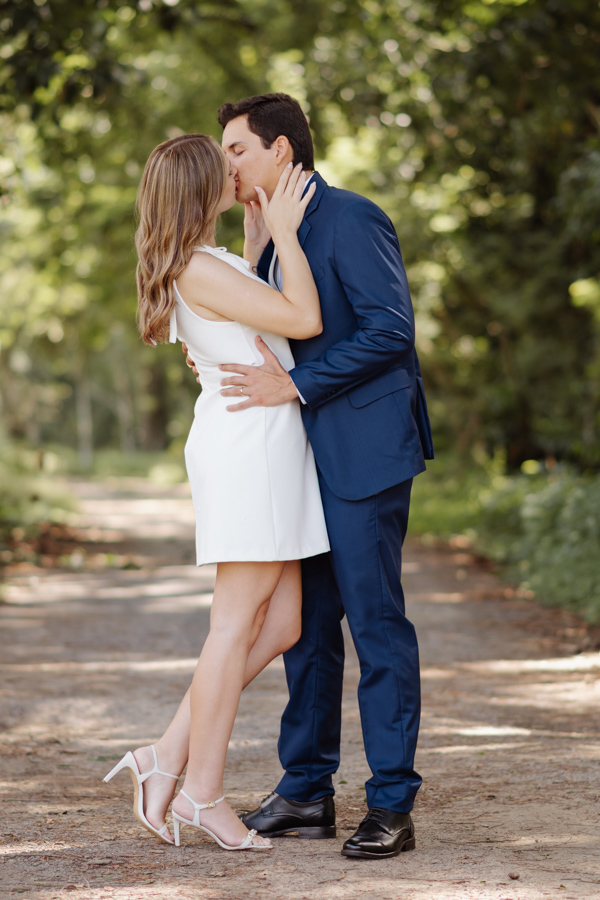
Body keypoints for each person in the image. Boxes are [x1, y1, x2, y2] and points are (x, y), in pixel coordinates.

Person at [207, 93, 434, 860]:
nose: (227, 164)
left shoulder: (351, 216)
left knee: (375, 625)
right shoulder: (269, 234)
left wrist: (295, 385)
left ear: (281, 150)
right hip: (296, 461)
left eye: (237, 148)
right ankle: (306, 789)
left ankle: (392, 802)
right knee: (304, 631)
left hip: (364, 451)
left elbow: (390, 330)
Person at [103, 133, 330, 852]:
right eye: (223, 165)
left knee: (282, 623)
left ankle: (165, 752)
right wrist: (286, 234)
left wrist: (259, 243)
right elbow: (303, 319)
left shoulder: (207, 260)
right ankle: (201, 793)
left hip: (264, 445)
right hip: (249, 450)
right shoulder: (199, 267)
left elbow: (250, 324)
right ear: (201, 186)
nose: (236, 171)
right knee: (233, 625)